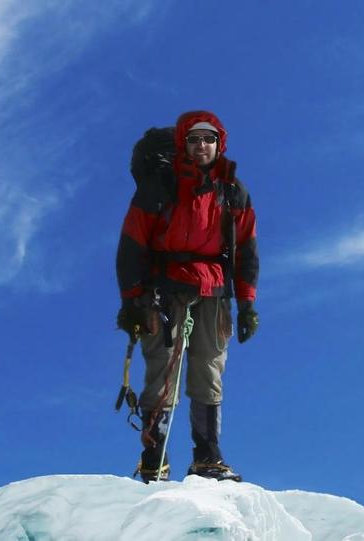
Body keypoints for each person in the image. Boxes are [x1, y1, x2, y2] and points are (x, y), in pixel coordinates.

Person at [115, 110, 259, 482]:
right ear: (183, 143)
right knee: (163, 373)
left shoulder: (232, 191)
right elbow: (132, 244)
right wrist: (131, 300)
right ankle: (154, 460)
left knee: (208, 371)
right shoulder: (159, 186)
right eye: (194, 140)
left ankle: (208, 459)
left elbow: (246, 251)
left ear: (219, 143)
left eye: (209, 139)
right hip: (164, 290)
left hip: (212, 292)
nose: (202, 146)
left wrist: (246, 304)